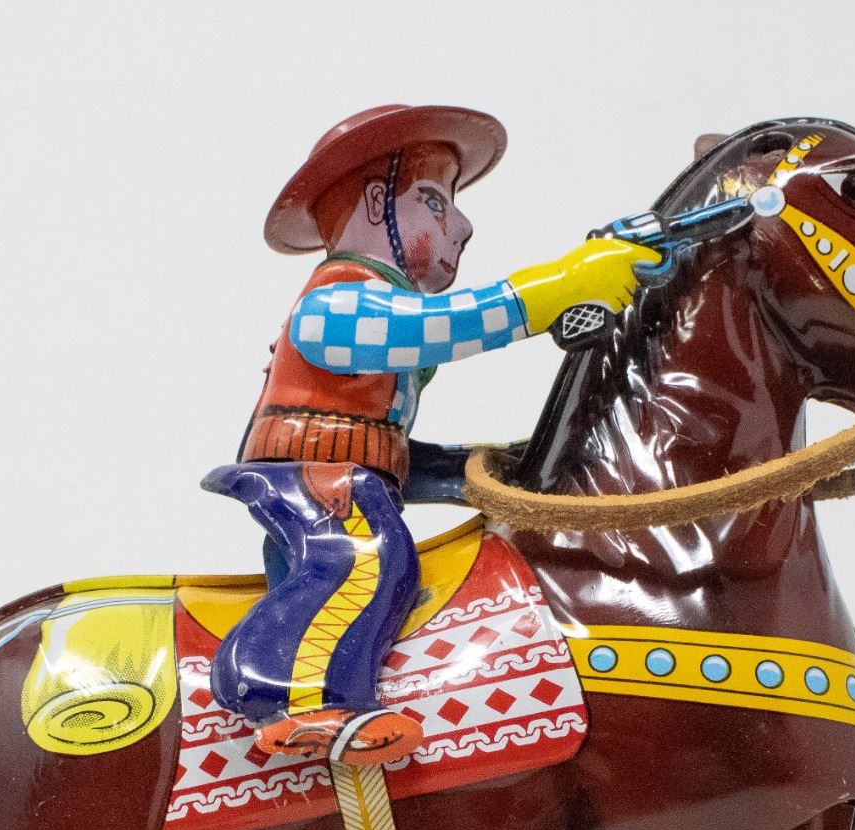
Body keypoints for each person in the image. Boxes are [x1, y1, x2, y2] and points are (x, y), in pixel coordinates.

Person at [208, 104, 658, 767]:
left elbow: (375, 440)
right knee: (370, 559)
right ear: (374, 205)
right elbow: (439, 326)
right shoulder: (336, 301)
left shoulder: (373, 304)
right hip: (313, 480)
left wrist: (484, 467)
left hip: (349, 472)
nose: (464, 225)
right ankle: (300, 700)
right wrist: (556, 287)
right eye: (434, 200)